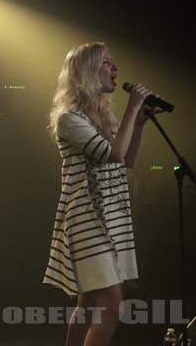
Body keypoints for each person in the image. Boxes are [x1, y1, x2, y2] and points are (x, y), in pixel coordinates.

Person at [43, 42, 154, 345]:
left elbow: (127, 160)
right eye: (106, 62)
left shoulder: (105, 118)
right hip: (88, 220)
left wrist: (140, 123)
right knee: (111, 308)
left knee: (88, 305)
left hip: (109, 216)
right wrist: (133, 107)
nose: (115, 68)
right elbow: (115, 154)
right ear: (87, 72)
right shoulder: (69, 118)